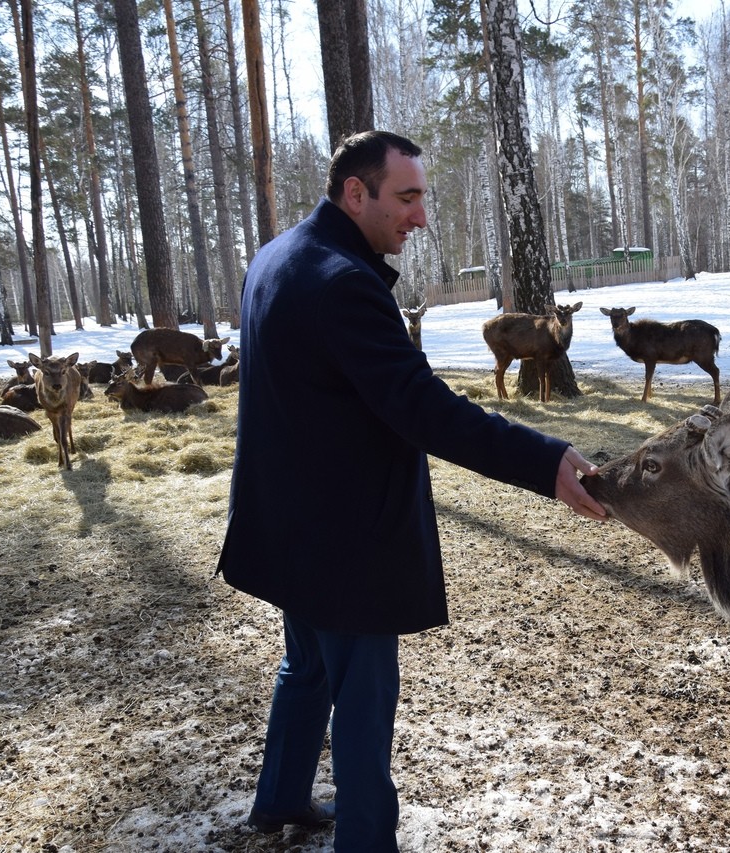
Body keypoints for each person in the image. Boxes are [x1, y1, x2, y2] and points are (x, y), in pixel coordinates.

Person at [216, 130, 606, 851]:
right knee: (362, 702)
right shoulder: (342, 282)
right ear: (354, 192)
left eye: (421, 197)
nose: (420, 217)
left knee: (304, 666)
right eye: (407, 197)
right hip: (342, 540)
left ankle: (279, 800)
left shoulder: (275, 256)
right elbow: (424, 407)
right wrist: (544, 461)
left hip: (283, 522)